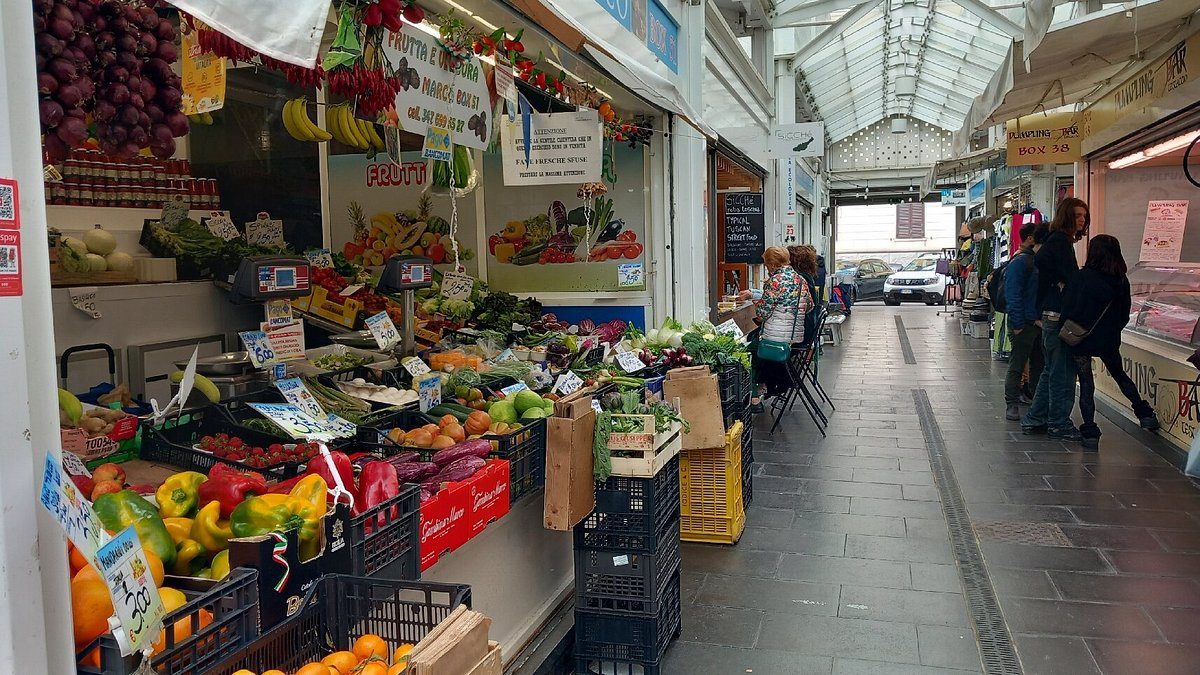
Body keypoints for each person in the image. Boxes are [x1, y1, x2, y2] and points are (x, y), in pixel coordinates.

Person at [1061, 235, 1159, 450]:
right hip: (1108, 339)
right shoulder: (1120, 280)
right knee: (1119, 374)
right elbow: (1125, 314)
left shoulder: (1080, 277)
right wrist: (1112, 330)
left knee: (1087, 385)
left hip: (1081, 338)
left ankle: (1090, 432)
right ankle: (1144, 414)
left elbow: (1068, 309)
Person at [1021, 198, 1087, 441]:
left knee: (1052, 369)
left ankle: (1036, 417)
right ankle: (1058, 422)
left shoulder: (1056, 240)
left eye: (1083, 216)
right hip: (1058, 316)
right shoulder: (1059, 240)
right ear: (1067, 216)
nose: (1081, 220)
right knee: (1062, 373)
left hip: (1051, 315)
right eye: (1077, 215)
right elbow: (1046, 263)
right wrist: (1061, 282)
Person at [748, 246, 813, 413]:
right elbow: (809, 307)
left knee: (748, 351)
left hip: (774, 338)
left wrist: (759, 304)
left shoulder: (775, 281)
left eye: (766, 264)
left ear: (772, 264)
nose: (766, 267)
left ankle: (755, 398)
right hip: (795, 337)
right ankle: (765, 386)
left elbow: (762, 313)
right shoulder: (800, 280)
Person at [1004, 221, 1044, 420]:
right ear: (1031, 238)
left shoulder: (1037, 260)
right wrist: (1018, 323)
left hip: (1037, 322)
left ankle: (1036, 403)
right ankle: (1011, 403)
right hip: (1025, 323)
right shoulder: (1021, 262)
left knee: (1038, 364)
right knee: (1018, 363)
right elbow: (1014, 294)